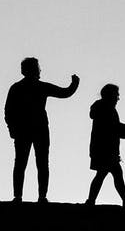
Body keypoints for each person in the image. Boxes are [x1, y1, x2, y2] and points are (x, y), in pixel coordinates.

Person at [4, 57, 79, 203]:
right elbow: (65, 92)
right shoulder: (38, 87)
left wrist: (12, 128)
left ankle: (20, 196)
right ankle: (40, 197)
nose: (40, 70)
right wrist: (75, 84)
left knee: (22, 163)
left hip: (25, 130)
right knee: (40, 163)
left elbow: (8, 111)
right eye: (38, 67)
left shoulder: (17, 87)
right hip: (37, 129)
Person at [85, 84, 125, 206]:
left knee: (104, 175)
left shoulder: (101, 108)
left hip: (100, 148)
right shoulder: (108, 109)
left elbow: (112, 127)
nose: (118, 98)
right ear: (111, 95)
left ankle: (91, 201)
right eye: (117, 94)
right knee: (114, 175)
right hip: (107, 149)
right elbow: (113, 128)